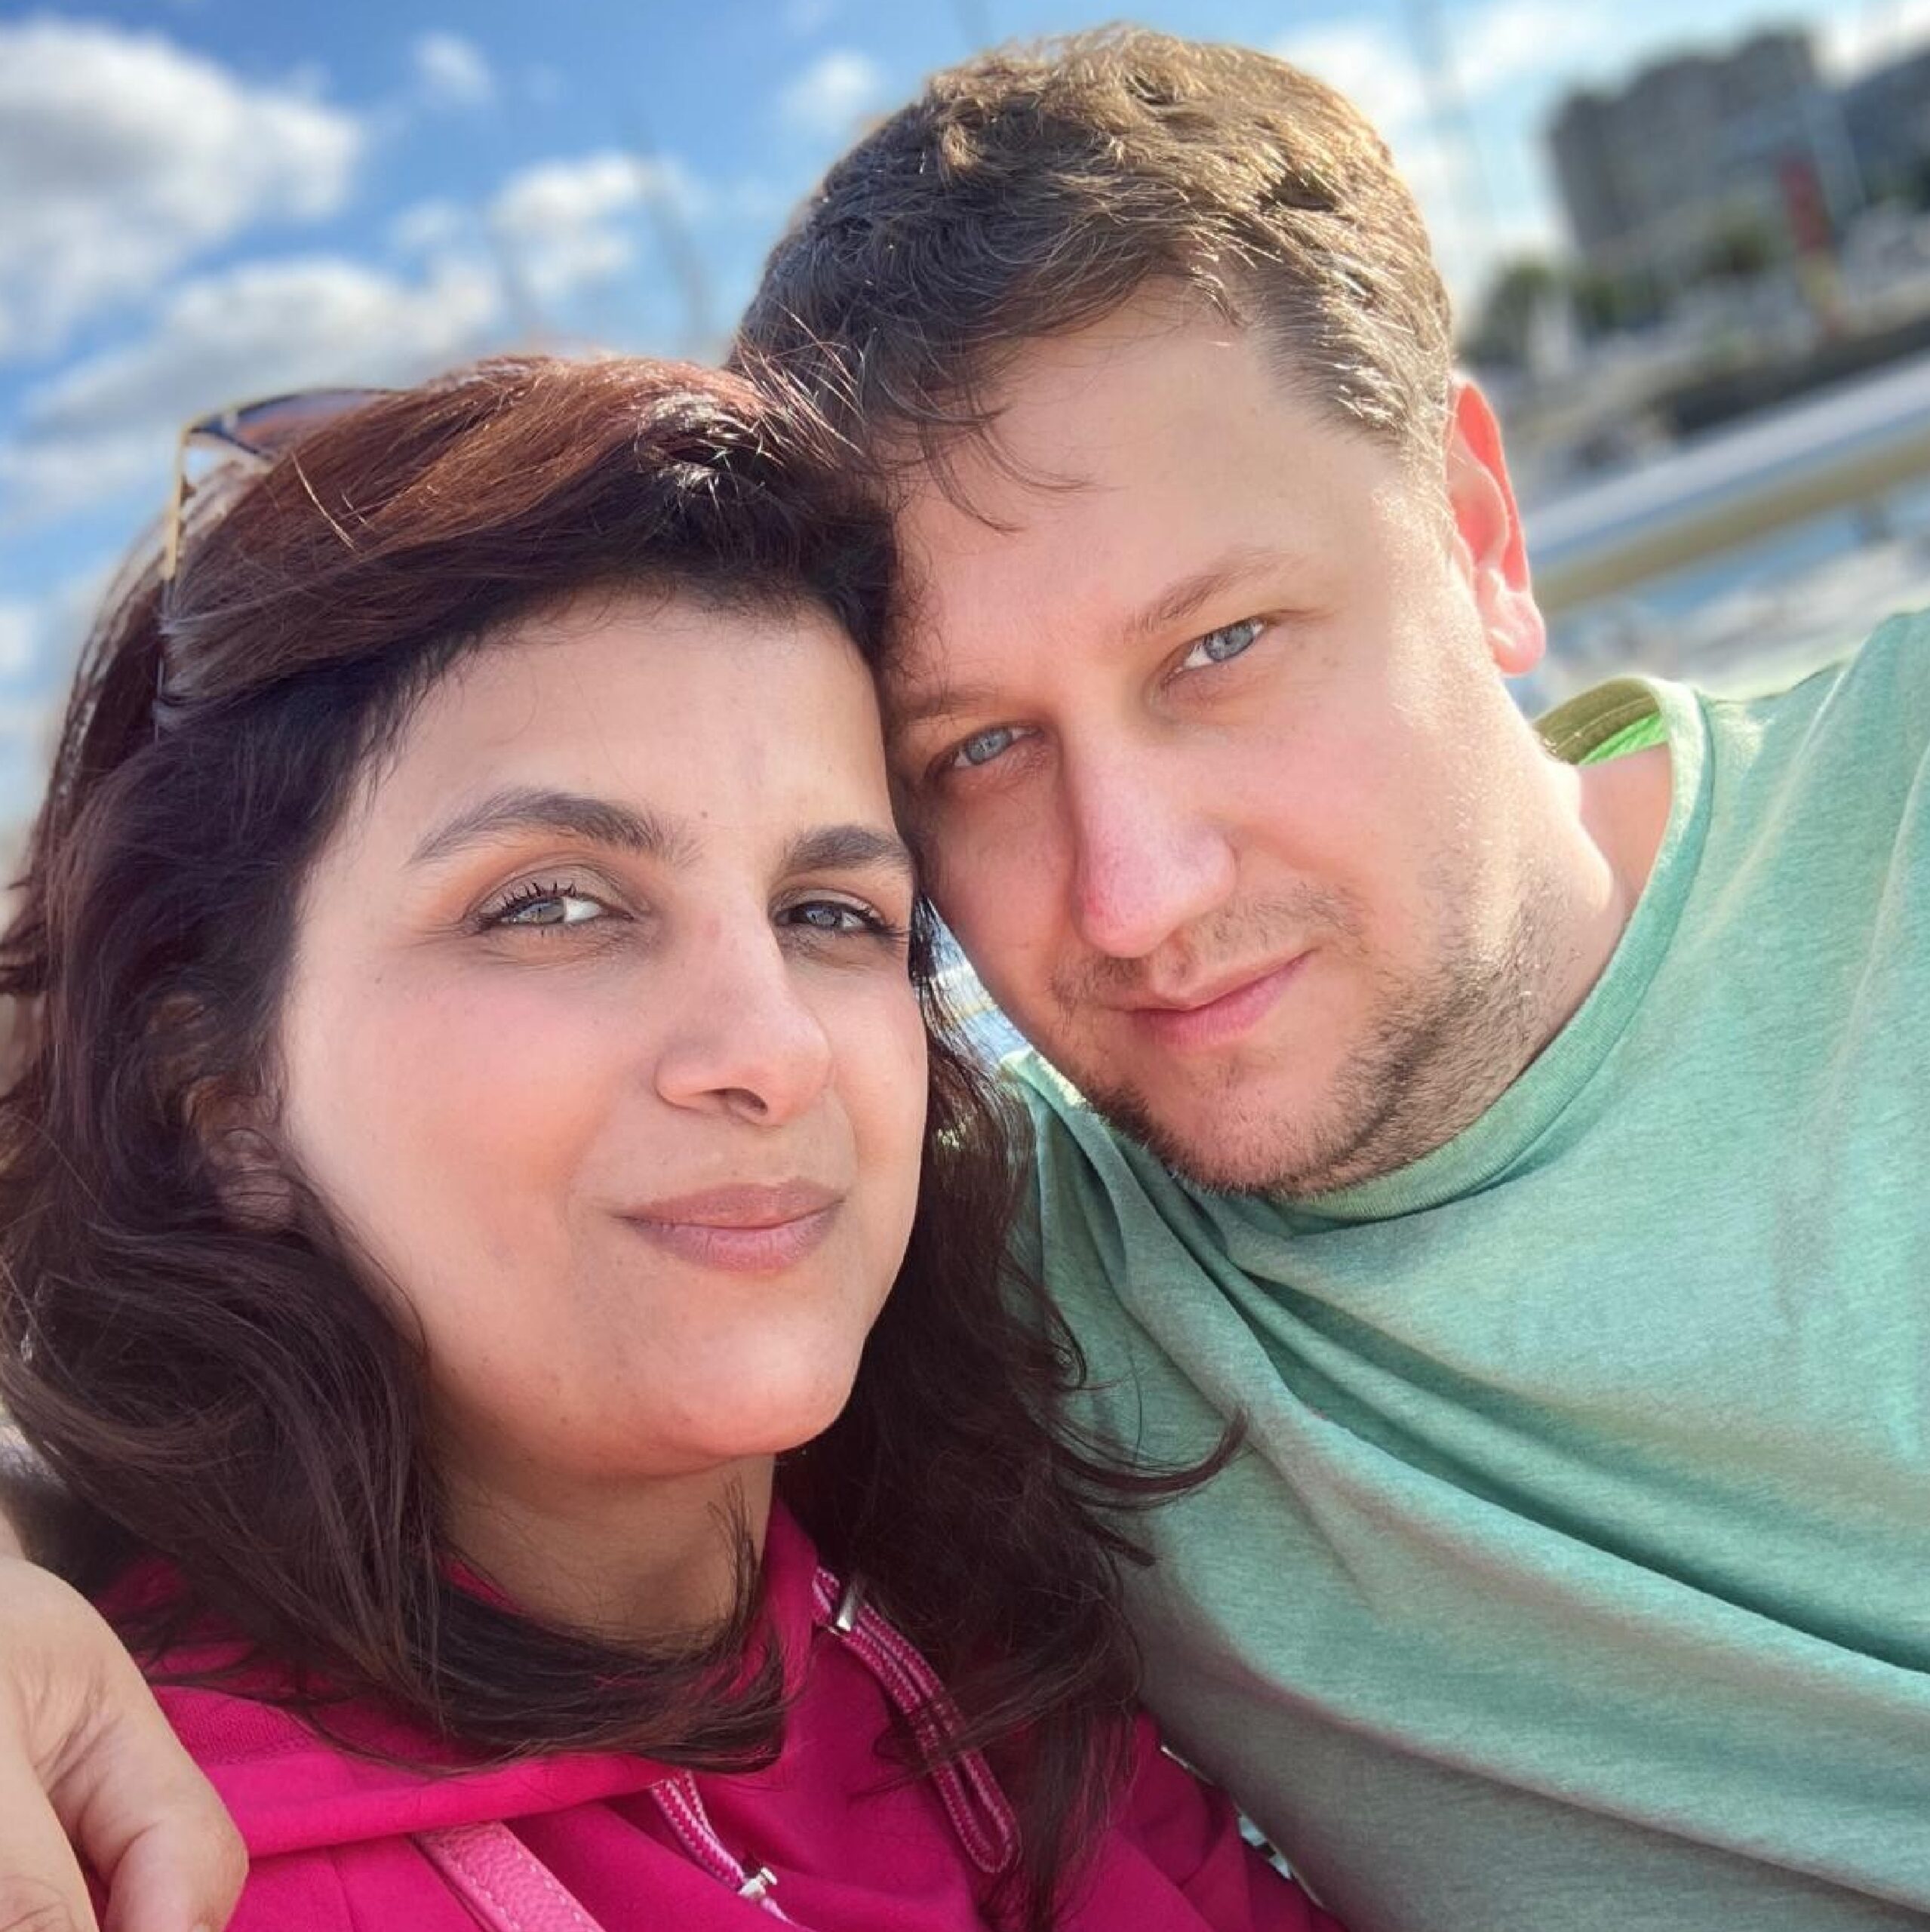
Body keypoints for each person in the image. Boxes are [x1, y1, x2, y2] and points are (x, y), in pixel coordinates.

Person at [4, 22, 1930, 1932]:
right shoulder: (979, 1276)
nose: (1137, 892)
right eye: (979, 750)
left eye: (1223, 644)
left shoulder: (1892, 808)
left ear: (1480, 531)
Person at [0, 354, 1335, 1932]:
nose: (771, 1050)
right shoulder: (161, 1860)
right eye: (552, 903)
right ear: (220, 1096)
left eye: (830, 913)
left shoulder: (981, 1615)